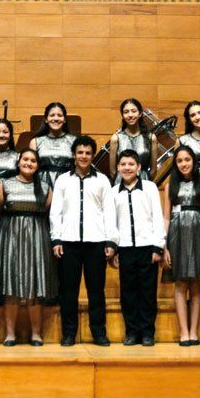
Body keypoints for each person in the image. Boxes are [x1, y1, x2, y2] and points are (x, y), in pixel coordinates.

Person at [50, 135, 117, 347]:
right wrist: (56, 238)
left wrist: (111, 242)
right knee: (68, 292)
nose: (84, 156)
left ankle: (99, 333)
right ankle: (69, 333)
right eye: (80, 152)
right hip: (68, 243)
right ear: (73, 154)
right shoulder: (62, 180)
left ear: (93, 155)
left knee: (96, 291)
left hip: (95, 242)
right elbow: (56, 212)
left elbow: (109, 212)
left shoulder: (102, 180)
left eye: (88, 153)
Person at [0, 148, 56, 346]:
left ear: (38, 165)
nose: (28, 163)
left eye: (33, 161)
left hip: (37, 236)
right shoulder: (4, 184)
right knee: (11, 286)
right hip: (9, 235)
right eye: (25, 160)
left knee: (34, 287)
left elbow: (48, 211)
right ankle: (10, 334)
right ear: (18, 162)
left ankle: (36, 334)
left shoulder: (45, 187)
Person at [112, 149, 165, 346]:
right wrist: (114, 248)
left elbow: (157, 218)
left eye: (131, 164)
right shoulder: (113, 192)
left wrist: (157, 246)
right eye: (123, 164)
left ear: (139, 167)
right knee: (129, 293)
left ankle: (147, 332)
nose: (127, 168)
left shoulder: (150, 188)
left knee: (148, 293)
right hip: (125, 248)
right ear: (118, 168)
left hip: (146, 247)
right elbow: (112, 222)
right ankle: (132, 332)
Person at [163, 145, 200, 346]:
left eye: (187, 159)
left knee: (196, 283)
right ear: (176, 164)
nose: (184, 163)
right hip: (176, 233)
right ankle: (183, 332)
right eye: (180, 161)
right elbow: (166, 218)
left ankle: (194, 331)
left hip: (199, 231)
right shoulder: (170, 186)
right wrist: (164, 246)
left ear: (194, 161)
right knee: (180, 283)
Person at [29, 102, 76, 187]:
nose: (56, 118)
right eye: (52, 115)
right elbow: (30, 170)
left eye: (59, 115)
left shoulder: (74, 141)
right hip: (42, 186)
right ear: (46, 119)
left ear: (65, 119)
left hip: (68, 184)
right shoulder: (35, 142)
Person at [109, 98, 156, 181]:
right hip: (121, 183)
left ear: (140, 113)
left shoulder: (150, 137)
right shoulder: (116, 138)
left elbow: (153, 170)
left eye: (134, 111)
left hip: (143, 183)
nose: (130, 115)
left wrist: (145, 183)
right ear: (122, 115)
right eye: (126, 112)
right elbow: (113, 171)